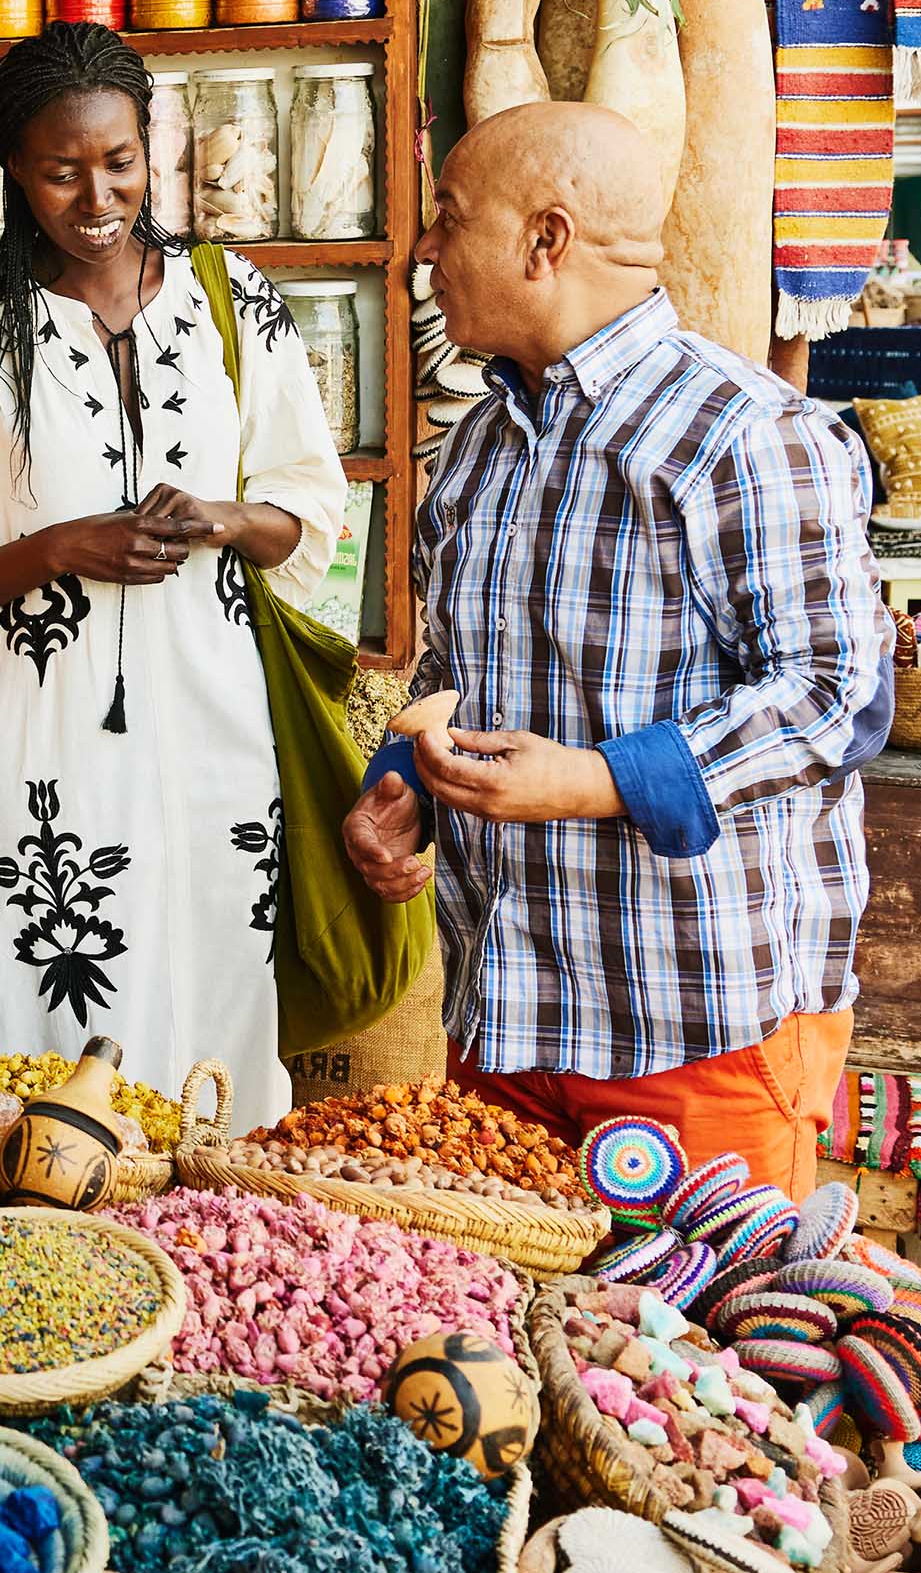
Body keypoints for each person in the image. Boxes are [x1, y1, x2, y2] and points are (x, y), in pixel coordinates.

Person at [342, 100, 890, 1198]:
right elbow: (456, 678)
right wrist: (403, 790)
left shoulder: (746, 431)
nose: (426, 252)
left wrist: (595, 782)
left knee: (699, 1359)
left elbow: (836, 696)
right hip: (505, 1022)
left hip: (693, 1032)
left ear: (546, 240)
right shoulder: (479, 446)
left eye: (449, 219)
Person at [0, 25, 352, 1121]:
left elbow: (311, 515)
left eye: (120, 161)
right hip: (44, 747)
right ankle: (60, 1254)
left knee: (221, 1019)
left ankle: (209, 1255)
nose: (97, 195)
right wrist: (59, 548)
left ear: (153, 150)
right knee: (47, 1037)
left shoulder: (233, 297)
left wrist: (233, 516)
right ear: (10, 166)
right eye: (61, 168)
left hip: (218, 741)